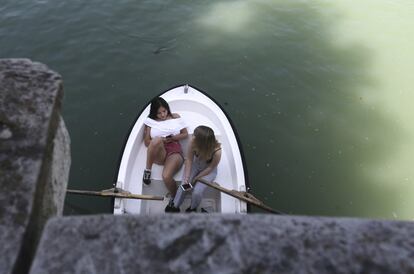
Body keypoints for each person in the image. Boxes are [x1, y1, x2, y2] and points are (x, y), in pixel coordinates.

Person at [166, 125, 221, 213]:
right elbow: (189, 160)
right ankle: (175, 206)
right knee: (183, 186)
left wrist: (196, 178)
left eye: (195, 136)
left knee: (197, 192)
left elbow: (211, 167)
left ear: (202, 141)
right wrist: (187, 178)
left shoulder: (217, 151)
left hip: (208, 171)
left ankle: (192, 208)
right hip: (195, 165)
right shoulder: (193, 142)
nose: (192, 137)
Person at [143, 97, 188, 203]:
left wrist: (172, 138)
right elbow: (146, 142)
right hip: (159, 152)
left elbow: (185, 134)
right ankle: (147, 171)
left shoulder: (175, 117)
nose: (163, 115)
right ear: (154, 113)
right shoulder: (150, 122)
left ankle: (175, 198)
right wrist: (162, 140)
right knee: (156, 140)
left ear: (168, 108)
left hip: (174, 151)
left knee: (166, 176)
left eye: (164, 111)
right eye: (159, 113)